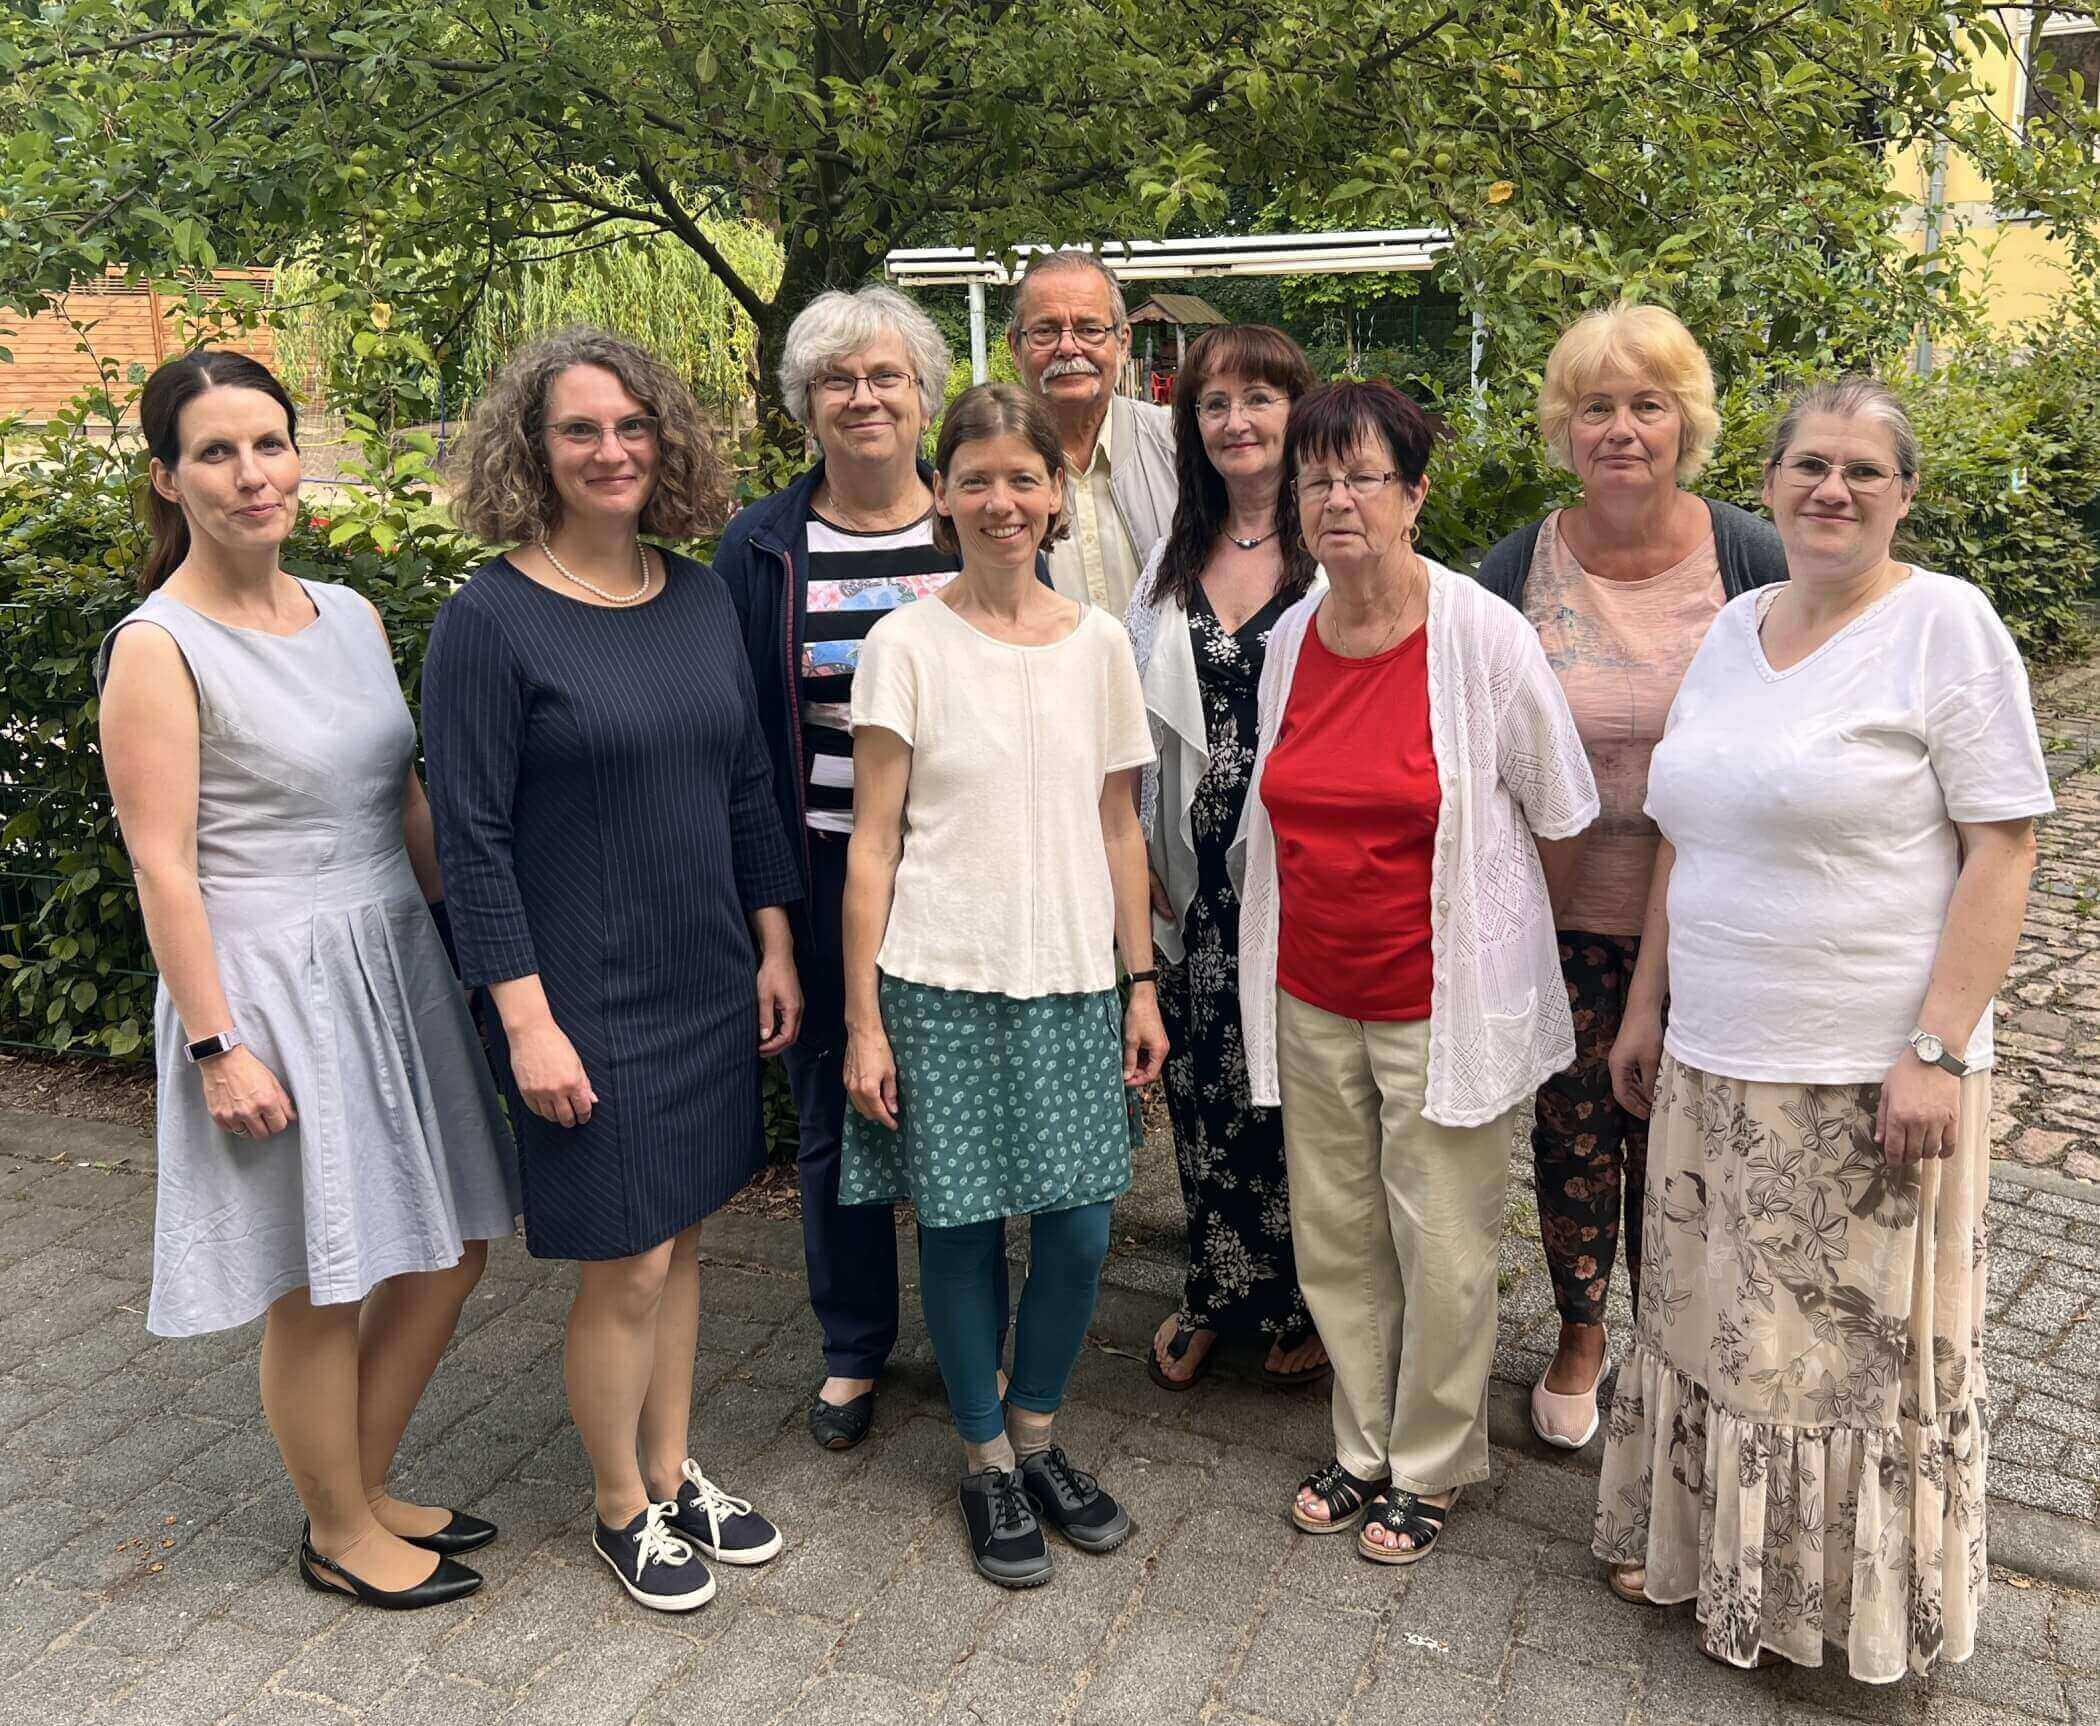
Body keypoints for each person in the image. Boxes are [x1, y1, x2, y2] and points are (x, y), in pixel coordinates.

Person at [1595, 378, 2051, 1681]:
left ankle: (1832, 1610)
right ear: (1773, 482)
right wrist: (1645, 1006)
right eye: (1809, 463)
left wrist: (1940, 1047)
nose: (1832, 489)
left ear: (1904, 493)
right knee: (1710, 1331)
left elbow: (2003, 848)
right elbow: (1688, 828)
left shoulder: (1944, 627)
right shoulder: (1737, 627)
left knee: (1839, 1370)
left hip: (1865, 1077)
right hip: (1713, 1061)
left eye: (1863, 468)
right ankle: (1704, 1563)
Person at [97, 350, 519, 1610]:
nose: (250, 473)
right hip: (266, 986)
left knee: (444, 1251)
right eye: (216, 453)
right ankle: (337, 1528)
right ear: (168, 479)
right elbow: (164, 868)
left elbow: (399, 799)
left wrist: (494, 953)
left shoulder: (349, 614)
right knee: (317, 1278)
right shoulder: (157, 647)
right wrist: (217, 1047)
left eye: (268, 444)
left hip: (391, 959)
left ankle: (361, 1482)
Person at [421, 327, 802, 1616]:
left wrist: (773, 941)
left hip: (705, 970)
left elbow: (748, 783)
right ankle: (616, 1505)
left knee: (684, 1237)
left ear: (665, 440)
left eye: (632, 426)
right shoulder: (488, 618)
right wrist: (523, 1021)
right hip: (580, 995)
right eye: (581, 429)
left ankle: (672, 1463)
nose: (611, 450)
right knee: (625, 1260)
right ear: (535, 451)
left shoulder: (695, 595)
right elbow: (468, 839)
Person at [1237, 380, 1599, 1565]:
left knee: (1442, 1240)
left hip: (1441, 1000)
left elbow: (1562, 807)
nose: (1337, 498)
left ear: (1414, 494)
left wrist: (1495, 932)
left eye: (1363, 476)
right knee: (1337, 1234)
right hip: (1311, 987)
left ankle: (1434, 1458)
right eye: (1317, 477)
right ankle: (1359, 1443)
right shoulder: (1293, 632)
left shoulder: (1482, 637)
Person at [841, 383, 1166, 1589]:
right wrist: (863, 1019)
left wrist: (1141, 982)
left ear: (1055, 494)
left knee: (1081, 1228)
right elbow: (873, 843)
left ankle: (1040, 1429)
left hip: (1076, 975)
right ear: (941, 493)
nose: (1000, 500)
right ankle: (984, 1455)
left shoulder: (1097, 645)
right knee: (966, 1229)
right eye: (973, 477)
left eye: (1023, 478)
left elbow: (1120, 828)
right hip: (939, 977)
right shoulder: (906, 644)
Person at [1476, 304, 1787, 1451]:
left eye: (1646, 404)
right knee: (1572, 1134)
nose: (1621, 428)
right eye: (1595, 406)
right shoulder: (1518, 567)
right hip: (1560, 915)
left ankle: (1684, 1350)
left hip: (1711, 922)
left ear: (1685, 423)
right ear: (1563, 427)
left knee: (1689, 1144)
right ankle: (1579, 1333)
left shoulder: (1750, 558)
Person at [716, 285, 1013, 1454]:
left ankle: (971, 1332)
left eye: (887, 376)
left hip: (965, 868)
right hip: (830, 862)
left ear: (925, 396)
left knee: (966, 1117)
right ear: (805, 406)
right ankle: (852, 1348)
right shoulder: (763, 547)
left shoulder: (977, 523)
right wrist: (774, 930)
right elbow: (743, 746)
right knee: (840, 1111)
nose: (864, 396)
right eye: (837, 379)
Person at [1124, 325, 1329, 1392]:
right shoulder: (1176, 553)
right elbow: (1133, 718)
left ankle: (1307, 1296)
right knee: (1207, 1090)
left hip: (1308, 877)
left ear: (1300, 412)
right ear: (1191, 425)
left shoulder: (1336, 544)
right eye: (1213, 404)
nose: (1236, 421)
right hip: (1199, 875)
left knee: (1300, 1091)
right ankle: (1215, 1287)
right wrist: (1138, 849)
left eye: (1259, 398)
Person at [1006, 250, 1176, 617]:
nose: (1068, 347)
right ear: (1016, 349)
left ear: (1123, 342)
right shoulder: (992, 472)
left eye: (1089, 329)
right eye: (1045, 331)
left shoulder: (1180, 449)